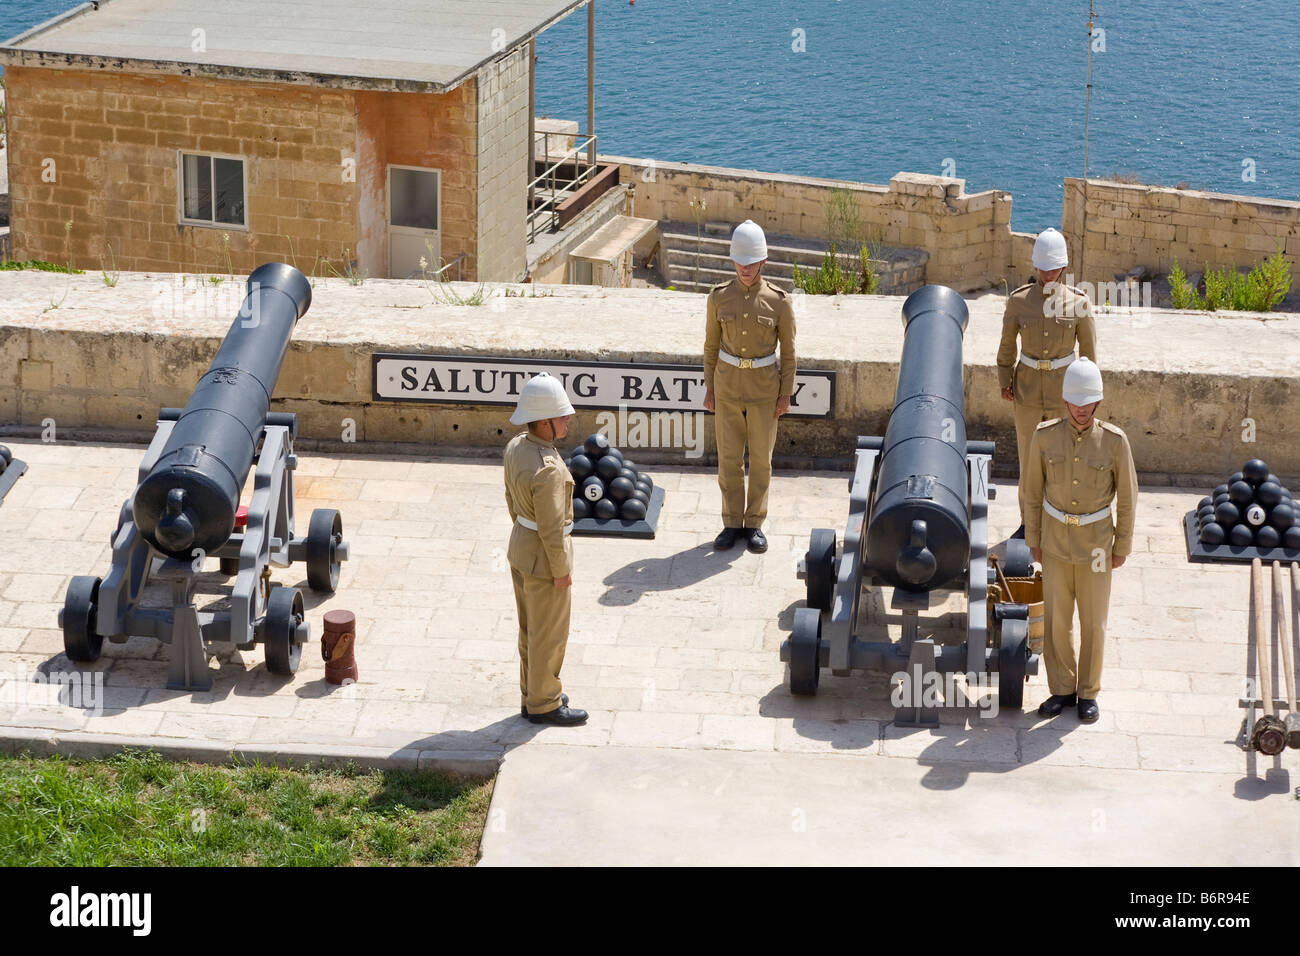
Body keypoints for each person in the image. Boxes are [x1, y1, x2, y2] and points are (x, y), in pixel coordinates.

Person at [1022, 357, 1137, 724]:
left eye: (1089, 403)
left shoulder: (1115, 442)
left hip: (1098, 548)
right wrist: (1034, 538)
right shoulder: (1044, 436)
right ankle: (1062, 689)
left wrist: (1121, 546)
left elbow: (1128, 497)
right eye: (1076, 402)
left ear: (1098, 403)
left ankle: (1088, 692)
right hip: (1055, 543)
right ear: (1065, 400)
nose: (1082, 410)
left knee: (1093, 622)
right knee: (1057, 622)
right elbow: (1031, 493)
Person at [702, 219, 796, 554]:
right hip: (727, 388)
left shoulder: (779, 302)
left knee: (760, 460)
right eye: (740, 262)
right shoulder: (718, 299)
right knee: (728, 459)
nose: (745, 269)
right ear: (733, 261)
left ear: (763, 263)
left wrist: (785, 395)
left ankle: (754, 523)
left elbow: (789, 352)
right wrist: (710, 388)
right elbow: (711, 347)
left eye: (751, 263)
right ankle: (731, 522)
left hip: (763, 391)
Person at [996, 227, 1097, 537]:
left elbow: (1089, 357)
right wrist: (1005, 379)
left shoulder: (1078, 303)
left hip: (1063, 395)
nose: (1048, 274)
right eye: (1043, 268)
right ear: (1035, 266)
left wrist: (1087, 397)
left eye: (1054, 268)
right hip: (1026, 392)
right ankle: (1028, 524)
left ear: (1064, 267)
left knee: (1062, 460)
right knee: (1028, 463)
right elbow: (1006, 347)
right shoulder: (1018, 301)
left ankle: (1058, 521)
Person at [503, 373, 587, 726]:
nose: (568, 419)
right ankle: (545, 703)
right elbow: (553, 529)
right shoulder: (549, 469)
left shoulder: (517, 448)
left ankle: (533, 692)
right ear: (544, 422)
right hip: (544, 558)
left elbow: (512, 500)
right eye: (562, 415)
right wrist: (561, 570)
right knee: (549, 634)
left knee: (529, 629)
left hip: (521, 546)